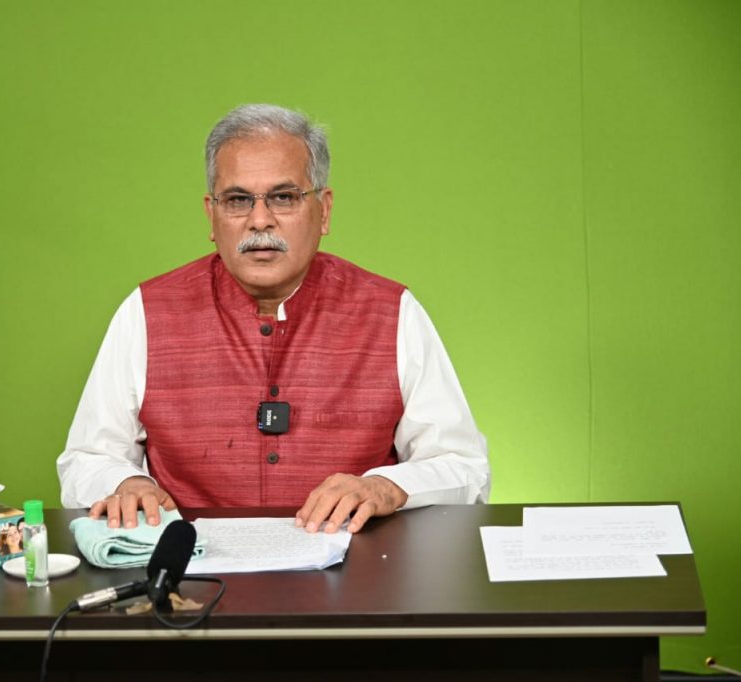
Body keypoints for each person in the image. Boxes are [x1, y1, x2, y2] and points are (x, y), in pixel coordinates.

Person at [57, 103, 489, 534]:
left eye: (284, 197)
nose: (260, 220)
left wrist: (384, 486)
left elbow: (463, 466)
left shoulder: (391, 312)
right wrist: (126, 483)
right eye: (237, 200)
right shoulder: (148, 311)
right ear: (211, 215)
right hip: (189, 569)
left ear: (324, 210)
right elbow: (87, 459)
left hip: (355, 568)